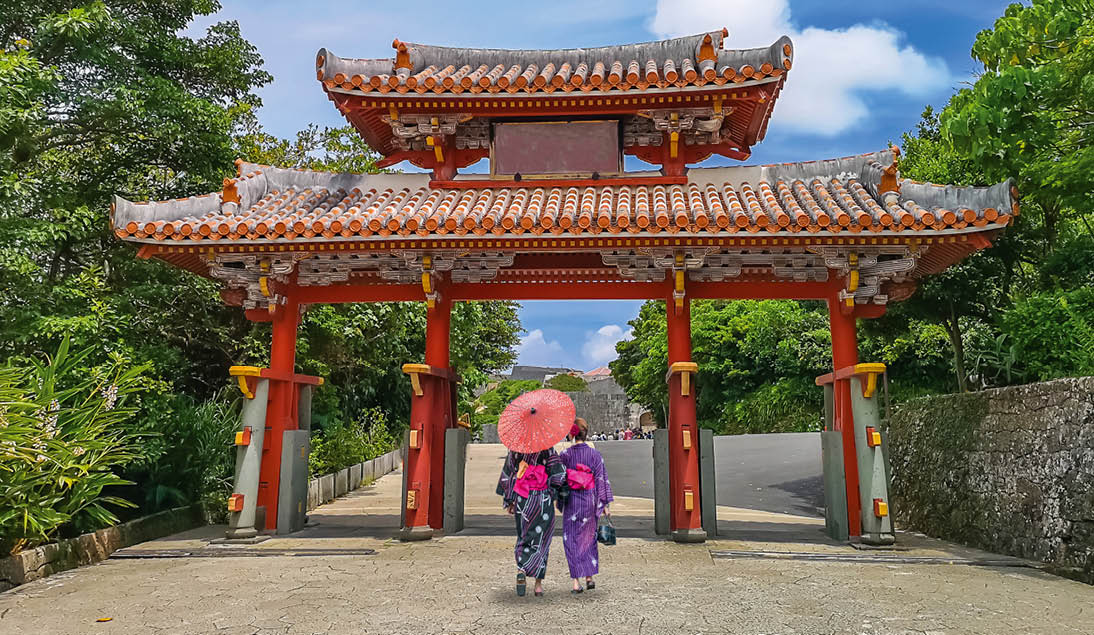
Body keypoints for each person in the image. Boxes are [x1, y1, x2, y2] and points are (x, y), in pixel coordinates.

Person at [497, 446, 568, 597]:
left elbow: (508, 475)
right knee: (542, 539)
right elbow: (559, 475)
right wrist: (555, 494)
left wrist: (509, 500)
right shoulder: (547, 449)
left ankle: (521, 569)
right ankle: (538, 585)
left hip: (523, 499)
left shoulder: (516, 449)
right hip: (542, 499)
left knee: (524, 535)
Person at [559, 418, 614, 594]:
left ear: (572, 434)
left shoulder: (565, 456)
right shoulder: (595, 455)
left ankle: (576, 581)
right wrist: (604, 503)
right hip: (589, 499)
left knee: (571, 538)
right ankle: (589, 576)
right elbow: (601, 479)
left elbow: (559, 479)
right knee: (588, 537)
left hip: (573, 501)